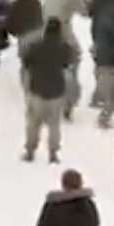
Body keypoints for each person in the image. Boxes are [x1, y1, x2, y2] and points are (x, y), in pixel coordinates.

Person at [22, 18, 73, 163]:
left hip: (37, 88)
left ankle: (30, 150)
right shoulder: (64, 47)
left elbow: (26, 62)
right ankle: (53, 153)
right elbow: (67, 64)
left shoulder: (36, 46)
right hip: (56, 91)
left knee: (33, 123)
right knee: (54, 124)